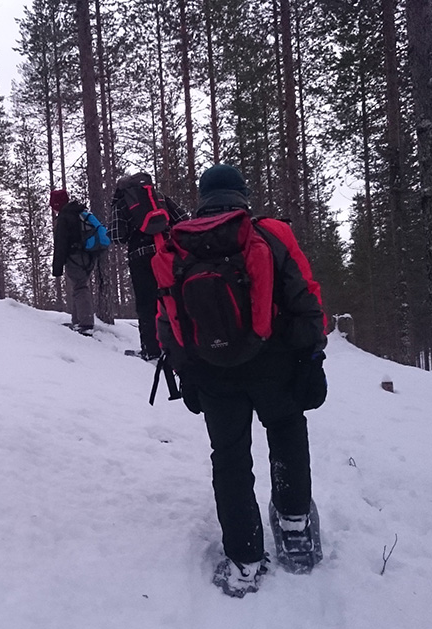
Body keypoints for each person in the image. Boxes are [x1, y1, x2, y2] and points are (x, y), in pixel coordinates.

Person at [156, 164, 327, 597]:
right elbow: (305, 294)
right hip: (274, 363)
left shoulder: (180, 245)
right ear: (243, 196)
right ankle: (294, 529)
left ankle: (244, 561)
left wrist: (189, 371)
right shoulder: (267, 234)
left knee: (230, 459)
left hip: (214, 373)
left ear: (202, 198)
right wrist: (311, 353)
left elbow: (167, 319)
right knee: (286, 433)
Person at [110, 173, 189, 360]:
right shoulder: (158, 196)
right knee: (172, 298)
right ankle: (179, 343)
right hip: (167, 253)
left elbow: (116, 235)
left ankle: (151, 350)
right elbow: (183, 219)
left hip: (140, 257)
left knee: (146, 304)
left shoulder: (123, 202)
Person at [50, 189, 102, 336]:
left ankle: (85, 324)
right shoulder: (78, 212)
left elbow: (61, 244)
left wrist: (57, 268)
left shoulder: (64, 217)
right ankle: (77, 321)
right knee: (79, 287)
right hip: (88, 256)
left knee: (80, 287)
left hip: (75, 257)